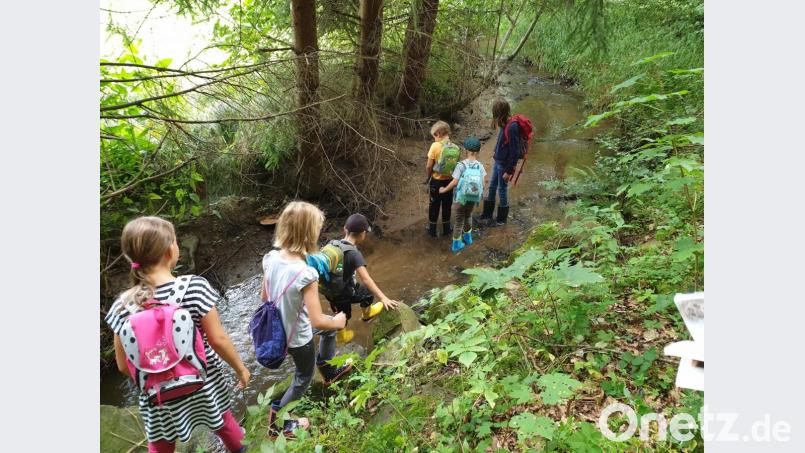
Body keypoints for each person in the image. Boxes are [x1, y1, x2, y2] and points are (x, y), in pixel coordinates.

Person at [105, 216, 251, 453]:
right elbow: (217, 340)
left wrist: (158, 376)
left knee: (160, 443)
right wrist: (241, 369)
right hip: (204, 383)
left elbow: (123, 365)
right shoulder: (195, 287)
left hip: (157, 395)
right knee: (224, 423)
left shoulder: (121, 306)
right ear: (169, 251)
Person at [261, 201, 352, 438]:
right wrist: (339, 321)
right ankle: (278, 422)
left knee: (328, 332)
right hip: (297, 338)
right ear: (309, 233)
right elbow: (318, 321)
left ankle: (329, 369)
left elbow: (265, 296)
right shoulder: (306, 274)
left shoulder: (270, 258)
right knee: (303, 377)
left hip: (278, 327)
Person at [306, 213, 401, 345]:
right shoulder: (354, 254)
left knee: (341, 314)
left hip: (330, 292)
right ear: (362, 233)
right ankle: (367, 314)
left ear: (345, 229)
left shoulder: (332, 244)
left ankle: (341, 337)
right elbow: (366, 279)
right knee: (367, 292)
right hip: (346, 292)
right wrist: (383, 298)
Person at [439, 137, 488, 253]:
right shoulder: (480, 166)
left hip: (460, 199)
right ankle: (468, 238)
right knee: (468, 216)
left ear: (466, 150)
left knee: (459, 219)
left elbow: (454, 182)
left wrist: (444, 189)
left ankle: (457, 244)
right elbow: (484, 183)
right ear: (478, 151)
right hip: (473, 198)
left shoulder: (461, 165)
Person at [480, 98, 523, 226]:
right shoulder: (505, 123)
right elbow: (502, 142)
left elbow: (514, 152)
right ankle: (487, 214)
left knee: (502, 190)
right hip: (498, 161)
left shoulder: (512, 127)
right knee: (492, 187)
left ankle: (501, 220)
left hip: (504, 165)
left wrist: (509, 171)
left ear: (500, 113)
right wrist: (495, 152)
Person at [425, 120, 458, 237]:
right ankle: (446, 229)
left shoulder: (435, 146)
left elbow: (429, 166)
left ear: (438, 133)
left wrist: (428, 177)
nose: (434, 138)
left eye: (434, 135)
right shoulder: (455, 147)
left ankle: (432, 230)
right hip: (449, 182)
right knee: (447, 205)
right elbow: (456, 167)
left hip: (436, 181)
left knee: (434, 205)